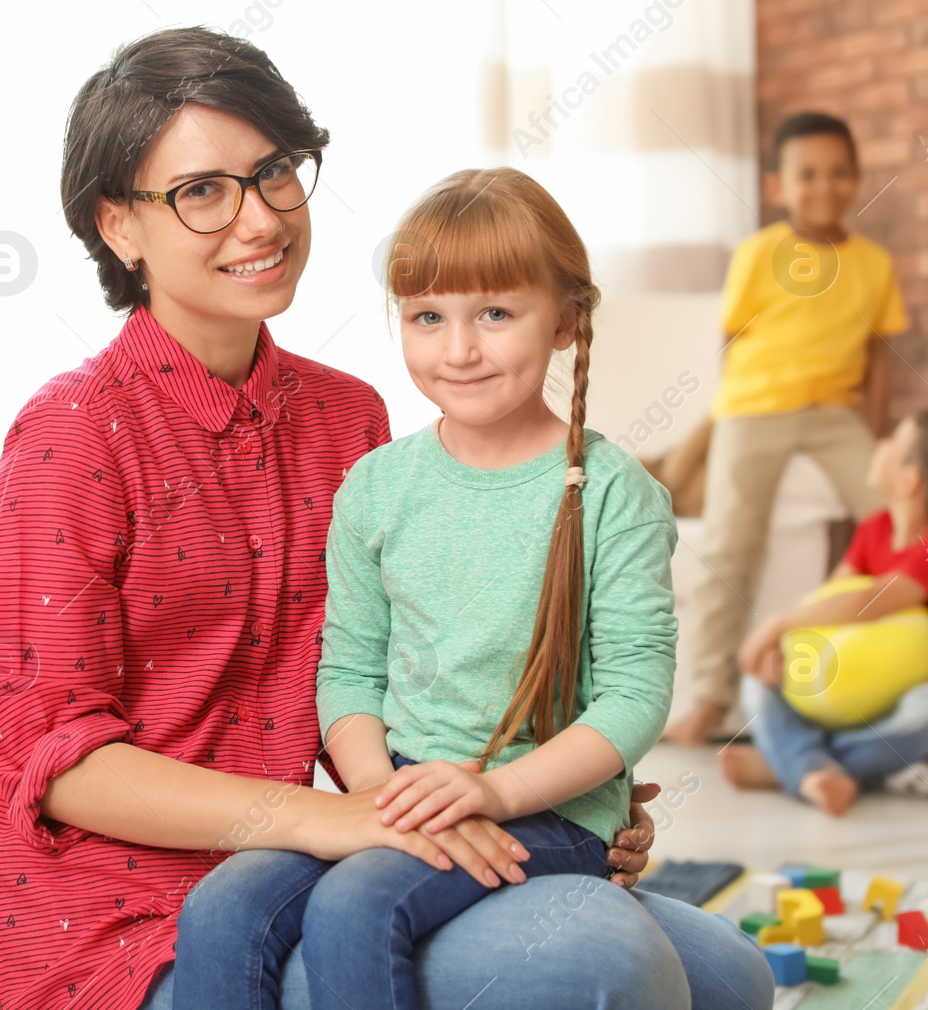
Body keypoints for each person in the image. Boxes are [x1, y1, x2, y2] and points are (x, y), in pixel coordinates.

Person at [0, 25, 773, 1010]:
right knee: (604, 964)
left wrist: (566, 798)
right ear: (119, 227)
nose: (258, 218)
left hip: (342, 844)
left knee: (726, 975)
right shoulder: (72, 435)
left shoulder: (347, 419)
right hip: (133, 913)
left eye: (273, 174)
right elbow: (57, 762)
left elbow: (405, 666)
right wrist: (329, 818)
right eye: (202, 191)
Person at [172, 168, 680, 1010]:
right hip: (399, 786)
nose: (460, 349)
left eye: (496, 313)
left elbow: (635, 696)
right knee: (224, 907)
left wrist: (493, 792)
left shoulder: (613, 493)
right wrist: (377, 792)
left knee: (354, 908)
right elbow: (350, 671)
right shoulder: (377, 486)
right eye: (428, 317)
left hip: (552, 810)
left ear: (568, 320)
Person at [667, 112, 910, 745]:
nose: (823, 186)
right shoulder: (758, 253)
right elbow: (732, 338)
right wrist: (733, 409)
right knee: (729, 541)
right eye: (807, 175)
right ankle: (712, 699)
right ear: (779, 185)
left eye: (837, 173)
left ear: (855, 179)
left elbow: (882, 356)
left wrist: (878, 437)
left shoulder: (875, 265)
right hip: (755, 408)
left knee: (898, 516)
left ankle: (894, 677)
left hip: (834, 414)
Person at [721, 409, 928, 815]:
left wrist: (776, 623)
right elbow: (829, 600)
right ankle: (810, 768)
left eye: (893, 441)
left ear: (911, 480)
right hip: (860, 691)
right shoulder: (876, 530)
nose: (880, 444)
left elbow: (864, 603)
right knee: (758, 682)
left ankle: (796, 765)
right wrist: (781, 647)